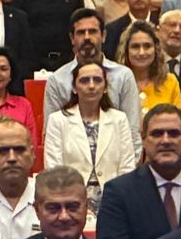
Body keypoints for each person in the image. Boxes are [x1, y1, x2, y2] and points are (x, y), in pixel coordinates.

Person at [97, 104, 181, 239]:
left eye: (174, 133)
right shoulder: (119, 192)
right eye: (157, 134)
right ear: (143, 139)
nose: (165, 141)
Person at [44, 64, 137, 210]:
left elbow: (127, 166)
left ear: (105, 87)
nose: (92, 85)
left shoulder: (119, 119)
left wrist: (118, 199)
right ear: (74, 88)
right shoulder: (58, 120)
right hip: (70, 200)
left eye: (97, 80)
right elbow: (54, 168)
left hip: (114, 199)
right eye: (84, 80)